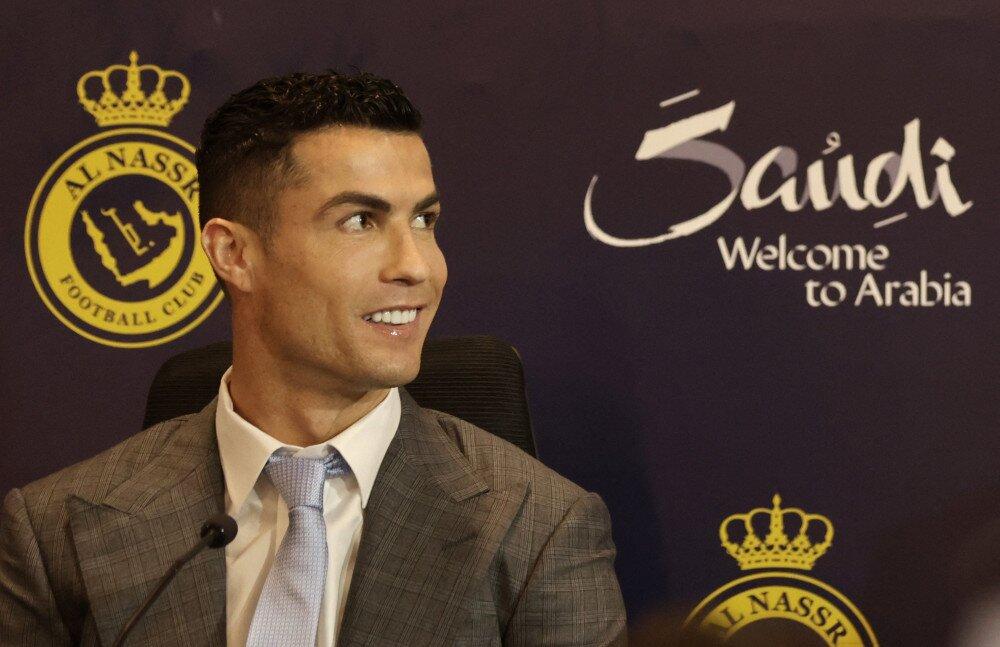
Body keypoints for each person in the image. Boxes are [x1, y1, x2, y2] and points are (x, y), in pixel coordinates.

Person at [0, 71, 627, 645]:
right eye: (360, 222)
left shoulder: (540, 530)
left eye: (425, 220)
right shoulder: (55, 533)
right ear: (234, 254)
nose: (416, 267)